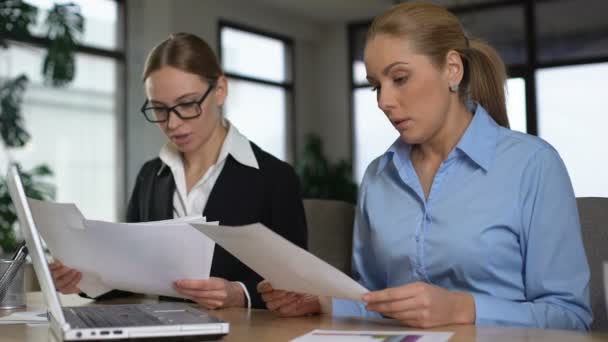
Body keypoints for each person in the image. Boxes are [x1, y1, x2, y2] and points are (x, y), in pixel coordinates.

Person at [258, 2, 591, 330]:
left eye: (400, 78)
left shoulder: (533, 165)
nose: (384, 102)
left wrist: (464, 308)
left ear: (452, 70)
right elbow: (374, 300)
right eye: (376, 85)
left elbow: (571, 317)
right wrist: (322, 301)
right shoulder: (378, 176)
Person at [49, 32, 307, 310]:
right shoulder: (150, 176)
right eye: (159, 109)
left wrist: (240, 293)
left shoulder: (274, 178)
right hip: (164, 332)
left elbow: (298, 284)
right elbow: (131, 273)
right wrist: (85, 279)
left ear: (220, 90)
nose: (172, 123)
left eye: (187, 104)